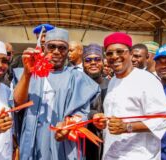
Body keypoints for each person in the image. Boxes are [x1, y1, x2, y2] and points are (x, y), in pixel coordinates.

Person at [13, 28, 100, 160]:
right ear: (44, 48)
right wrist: (27, 73)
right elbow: (18, 104)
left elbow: (82, 113)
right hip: (34, 139)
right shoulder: (29, 73)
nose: (56, 51)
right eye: (51, 47)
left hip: (64, 143)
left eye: (62, 48)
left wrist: (69, 126)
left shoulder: (77, 78)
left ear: (67, 51)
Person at [94, 32, 166, 160]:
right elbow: (116, 116)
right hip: (111, 154)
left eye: (119, 51)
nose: (115, 56)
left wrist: (127, 127)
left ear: (130, 53)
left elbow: (162, 119)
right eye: (109, 53)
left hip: (139, 155)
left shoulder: (147, 80)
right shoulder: (112, 81)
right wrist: (102, 121)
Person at [82, 43, 109, 160]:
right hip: (82, 142)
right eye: (88, 60)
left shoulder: (111, 85)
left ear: (103, 62)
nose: (93, 62)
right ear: (83, 64)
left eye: (97, 59)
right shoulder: (76, 85)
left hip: (106, 142)